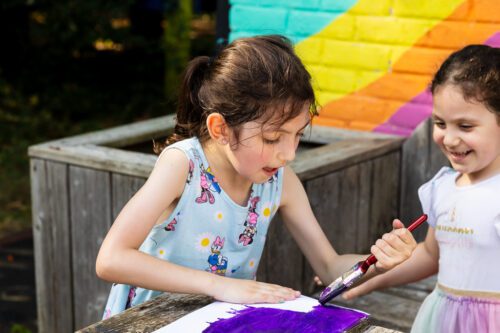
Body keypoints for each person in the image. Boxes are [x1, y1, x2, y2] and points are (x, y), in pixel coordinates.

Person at [96, 35, 418, 319]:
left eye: (297, 136)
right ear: (220, 129)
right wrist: (222, 286)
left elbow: (329, 266)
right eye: (272, 138)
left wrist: (377, 261)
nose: (289, 154)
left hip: (224, 323)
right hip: (150, 323)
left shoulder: (281, 181)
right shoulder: (184, 165)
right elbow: (112, 259)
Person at [342, 44, 500, 332]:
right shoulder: (443, 187)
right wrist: (370, 279)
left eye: (465, 126)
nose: (449, 139)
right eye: (440, 123)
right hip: (441, 319)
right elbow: (430, 256)